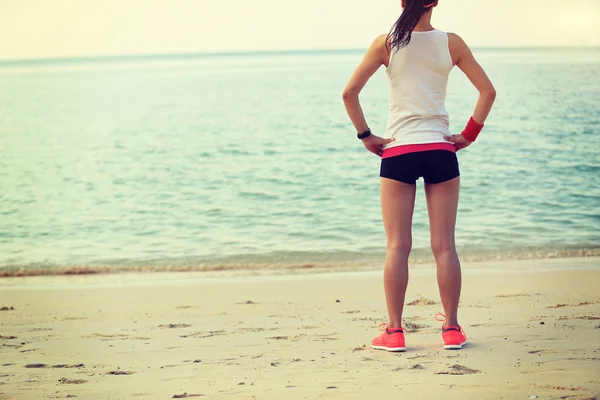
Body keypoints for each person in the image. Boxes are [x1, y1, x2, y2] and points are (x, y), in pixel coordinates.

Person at [342, 0, 496, 351]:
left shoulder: (386, 43)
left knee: (398, 246)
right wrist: (468, 135)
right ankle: (452, 330)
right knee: (444, 246)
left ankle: (394, 332)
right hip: (440, 150)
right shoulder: (451, 42)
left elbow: (349, 93)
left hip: (398, 151)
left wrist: (366, 136)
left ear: (401, 2)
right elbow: (488, 92)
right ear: (435, 2)